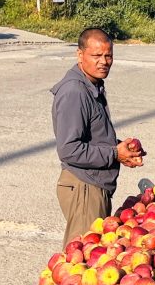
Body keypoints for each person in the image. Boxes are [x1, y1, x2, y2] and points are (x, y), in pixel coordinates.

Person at [51, 28, 145, 246]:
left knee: (92, 258)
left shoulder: (92, 84)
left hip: (94, 185)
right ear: (80, 55)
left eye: (108, 55)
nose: (104, 61)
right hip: (85, 187)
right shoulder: (74, 91)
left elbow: (93, 137)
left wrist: (122, 149)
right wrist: (114, 153)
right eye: (96, 56)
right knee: (81, 262)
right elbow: (69, 150)